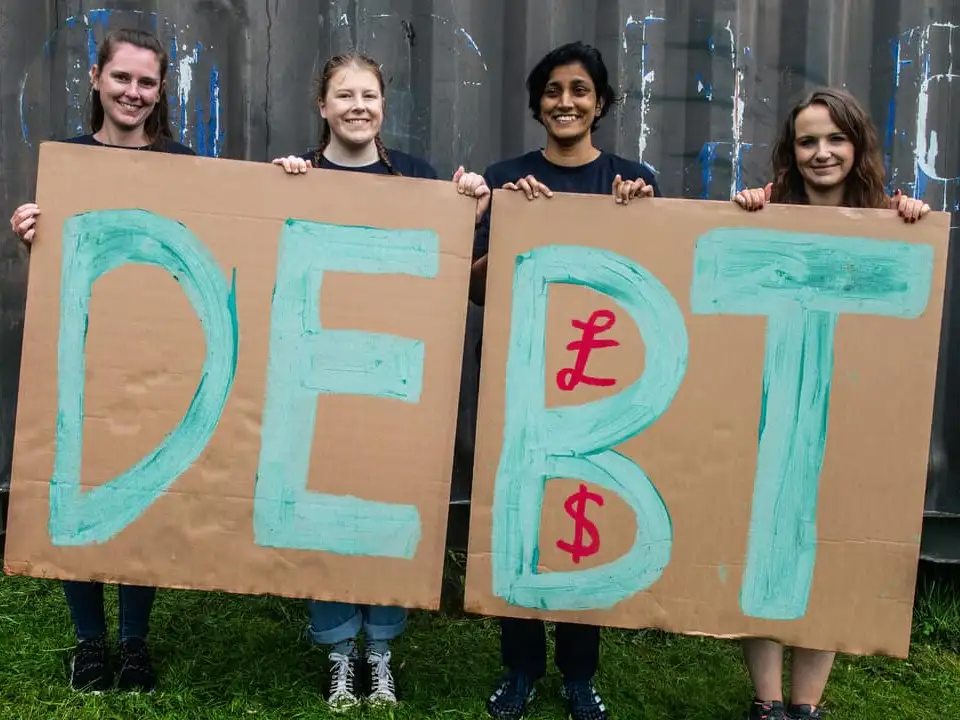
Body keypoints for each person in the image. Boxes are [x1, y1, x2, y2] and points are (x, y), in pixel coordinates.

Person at [272, 52, 489, 711]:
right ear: (323, 107)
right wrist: (279, 186)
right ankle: (340, 650)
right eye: (344, 94)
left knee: (389, 505)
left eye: (369, 94)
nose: (358, 105)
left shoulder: (421, 180)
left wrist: (471, 208)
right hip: (320, 374)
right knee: (326, 508)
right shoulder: (299, 178)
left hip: (396, 377)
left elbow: (452, 263)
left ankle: (382, 648)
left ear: (384, 105)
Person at [470, 41, 659, 720]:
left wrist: (640, 215)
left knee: (587, 526)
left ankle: (580, 675)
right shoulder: (505, 178)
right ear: (537, 103)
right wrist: (512, 225)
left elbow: (653, 283)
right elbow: (476, 291)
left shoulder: (633, 181)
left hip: (600, 390)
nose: (566, 102)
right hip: (520, 383)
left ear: (601, 104)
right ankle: (519, 669)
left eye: (581, 90)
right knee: (521, 524)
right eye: (553, 90)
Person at [733, 87, 930, 720]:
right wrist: (744, 209)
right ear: (791, 152)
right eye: (807, 141)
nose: (822, 152)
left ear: (857, 144)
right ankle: (766, 703)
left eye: (835, 138)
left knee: (830, 549)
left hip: (847, 411)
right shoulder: (767, 212)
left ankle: (805, 707)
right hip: (770, 403)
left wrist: (914, 218)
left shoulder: (891, 220)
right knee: (763, 547)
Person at [7, 27, 194, 693]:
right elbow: (65, 267)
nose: (134, 92)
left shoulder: (183, 163)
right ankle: (90, 642)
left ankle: (135, 641)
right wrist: (37, 235)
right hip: (78, 347)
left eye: (147, 82)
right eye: (122, 78)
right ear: (95, 77)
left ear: (161, 89)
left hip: (151, 346)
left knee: (138, 489)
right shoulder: (69, 165)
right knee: (73, 487)